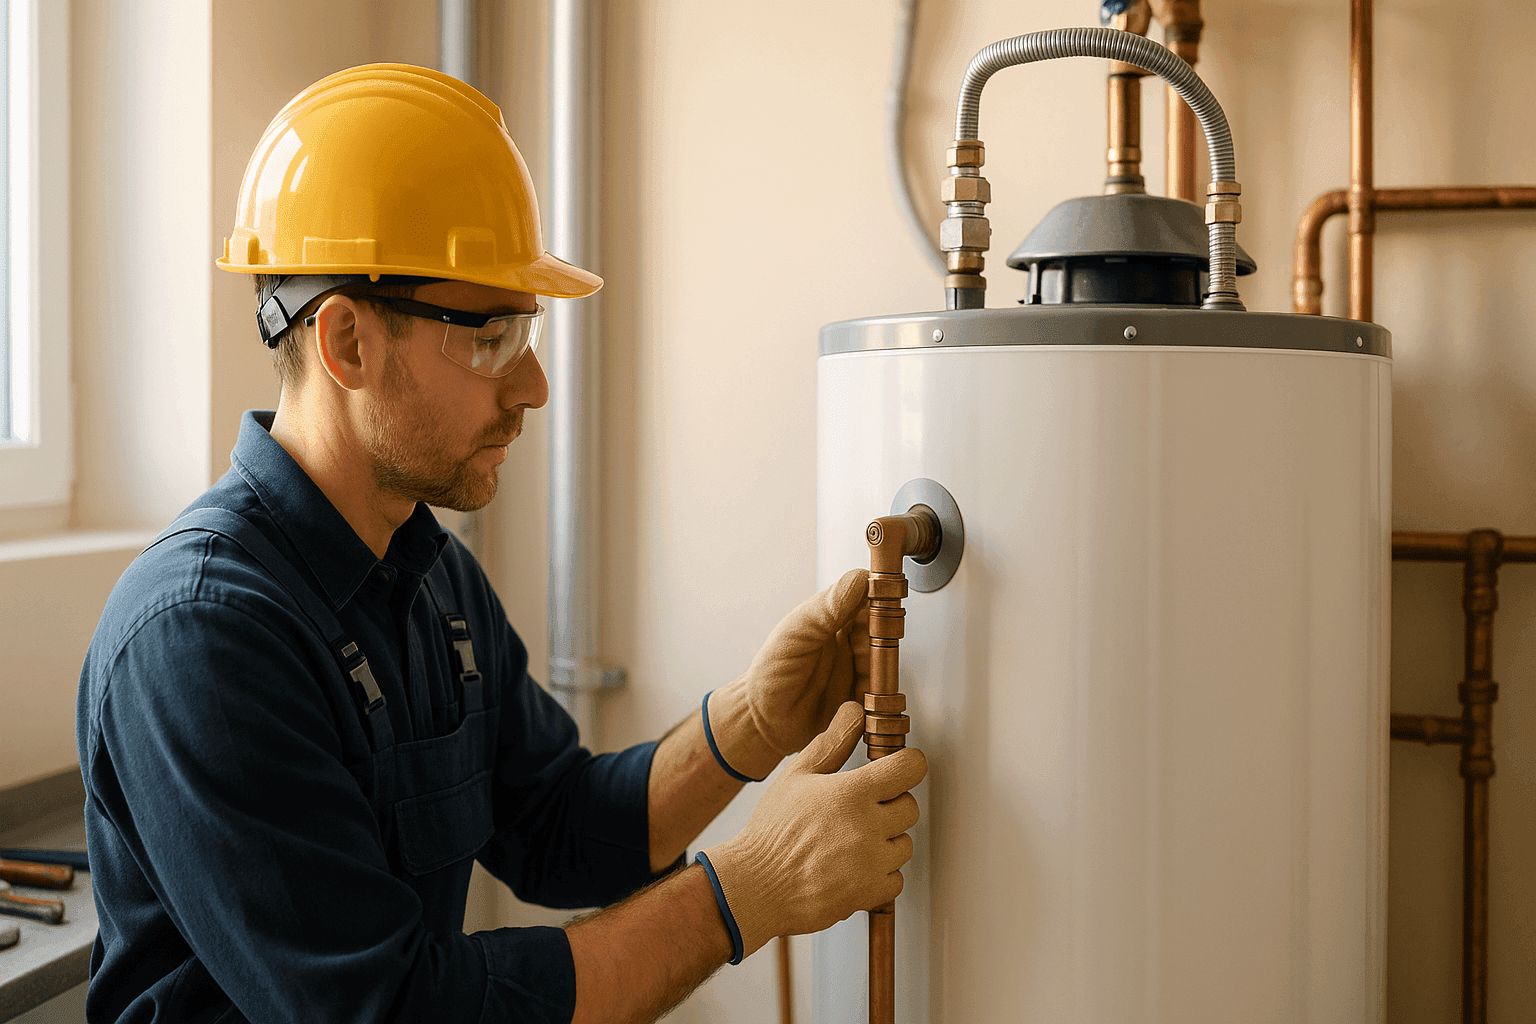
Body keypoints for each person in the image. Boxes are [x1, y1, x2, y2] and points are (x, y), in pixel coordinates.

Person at [75, 63, 925, 1024]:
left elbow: (558, 825)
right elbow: (393, 1012)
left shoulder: (435, 581)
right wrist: (745, 892)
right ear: (347, 342)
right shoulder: (200, 641)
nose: (533, 388)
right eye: (489, 337)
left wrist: (750, 725)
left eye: (526, 333)